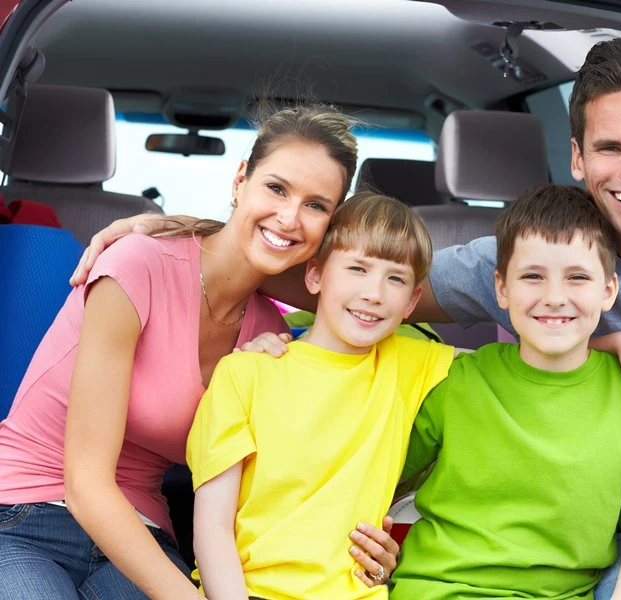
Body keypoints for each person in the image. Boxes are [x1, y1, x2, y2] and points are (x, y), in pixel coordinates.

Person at [73, 36, 621, 598]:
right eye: (609, 148)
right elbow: (354, 286)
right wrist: (180, 235)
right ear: (576, 158)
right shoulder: (514, 256)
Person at [0, 105, 398, 600]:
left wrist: (361, 552)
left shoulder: (270, 339)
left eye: (316, 205)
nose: (290, 217)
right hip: (24, 513)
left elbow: (283, 493)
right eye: (276, 188)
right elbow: (86, 487)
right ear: (240, 181)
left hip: (141, 532)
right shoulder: (137, 263)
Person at [390, 183, 621, 600]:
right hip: (437, 589)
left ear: (608, 290)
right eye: (532, 277)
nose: (554, 297)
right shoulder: (457, 380)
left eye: (577, 277)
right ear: (501, 288)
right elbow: (375, 477)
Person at [186, 192, 455, 600]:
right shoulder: (245, 373)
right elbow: (212, 528)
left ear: (412, 302)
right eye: (357, 269)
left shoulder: (411, 362)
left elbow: (530, 359)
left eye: (396, 279)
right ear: (314, 276)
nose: (374, 293)